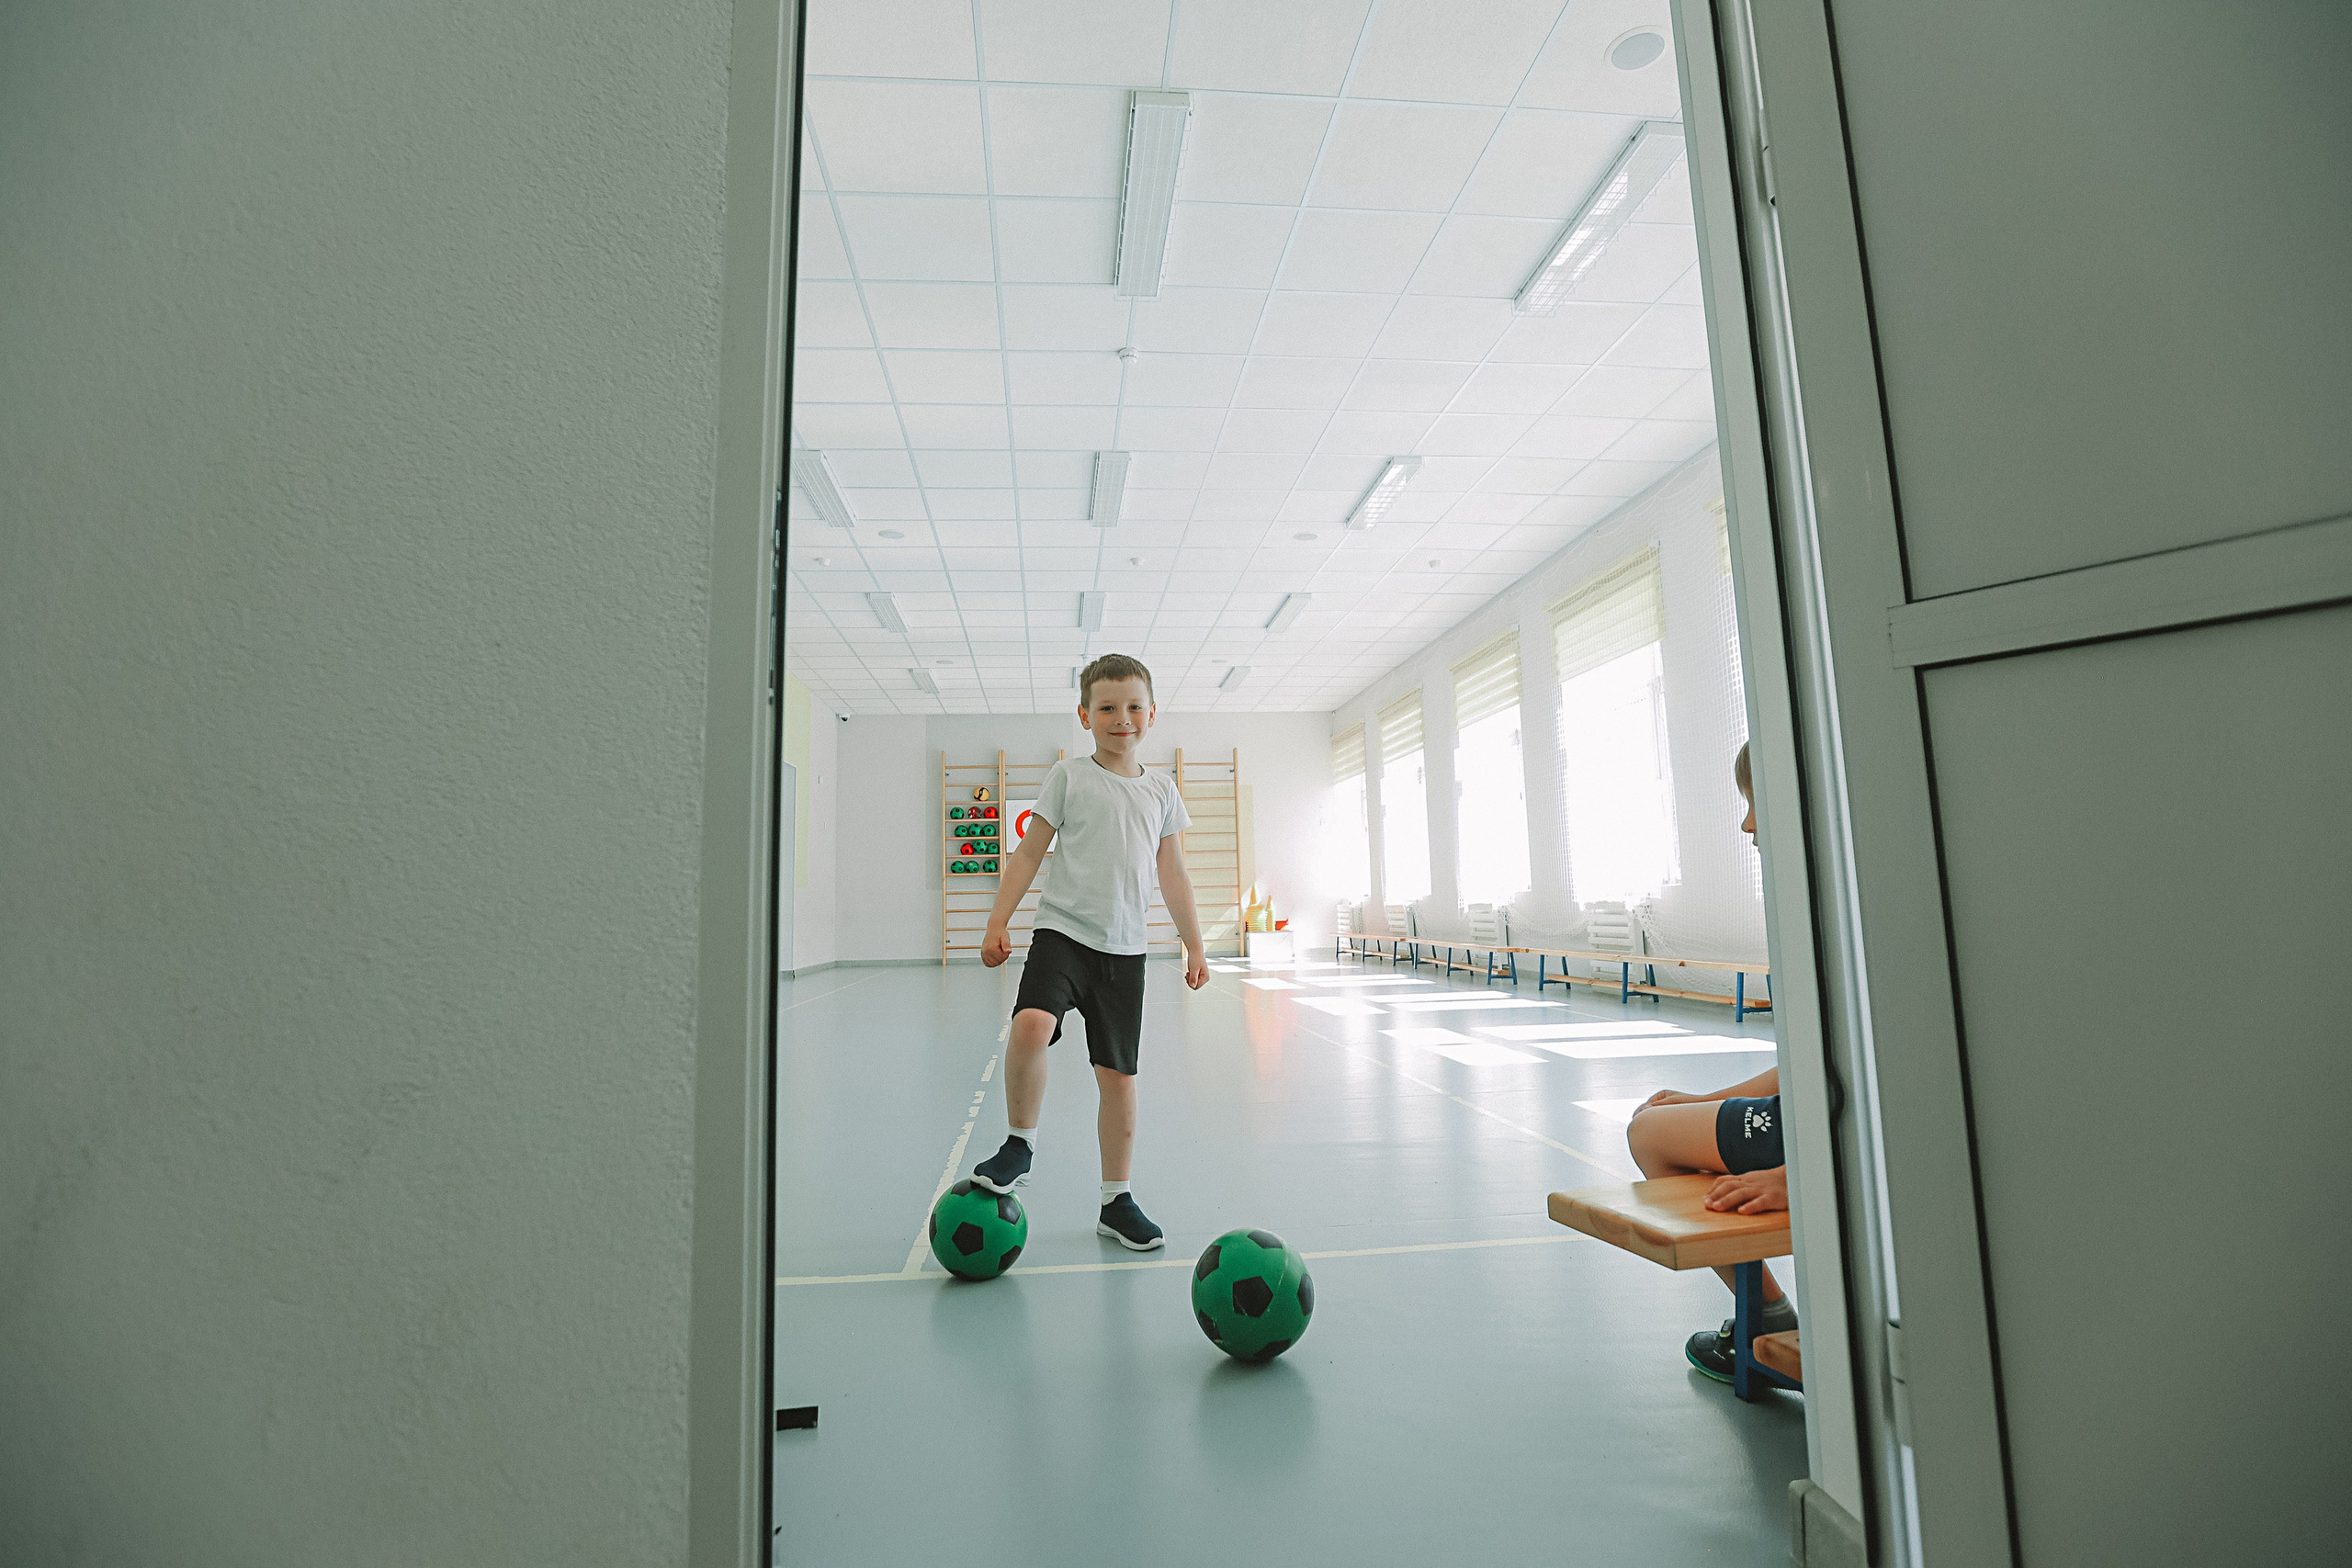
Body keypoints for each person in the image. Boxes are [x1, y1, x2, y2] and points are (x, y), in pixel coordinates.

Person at [968, 653, 1209, 1251]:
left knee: (1118, 1079)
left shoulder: (1161, 789)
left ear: (1151, 713)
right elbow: (1029, 853)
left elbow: (1173, 872)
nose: (1121, 718)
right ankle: (1019, 1143)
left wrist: (1195, 944)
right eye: (1107, 708)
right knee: (1030, 1026)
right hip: (1062, 934)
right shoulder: (1069, 777)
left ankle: (1116, 1200)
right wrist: (998, 920)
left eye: (1133, 707)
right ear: (1084, 716)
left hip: (1124, 951)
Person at [1623, 741, 1793, 1382]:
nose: (1747, 824)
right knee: (1653, 1125)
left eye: (1753, 802)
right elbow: (1811, 1065)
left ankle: (1769, 1316)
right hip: (1805, 1111)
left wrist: (1797, 1175)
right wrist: (1706, 1100)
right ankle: (1769, 1312)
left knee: (1649, 1136)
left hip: (1827, 1132)